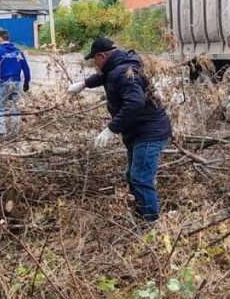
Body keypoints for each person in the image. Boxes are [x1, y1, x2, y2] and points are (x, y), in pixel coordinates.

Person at [66, 37, 171, 223]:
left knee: (140, 178)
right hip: (138, 132)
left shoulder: (122, 72)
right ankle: (142, 212)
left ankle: (151, 223)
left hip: (149, 132)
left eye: (94, 60)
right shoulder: (119, 65)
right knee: (132, 175)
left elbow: (135, 103)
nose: (94, 64)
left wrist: (110, 129)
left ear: (102, 55)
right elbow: (104, 76)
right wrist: (84, 85)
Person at [0, 28, 31, 140]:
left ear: (1, 38)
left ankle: (2, 134)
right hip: (16, 83)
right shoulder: (18, 51)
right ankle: (15, 133)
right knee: (16, 108)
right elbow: (26, 68)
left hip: (2, 83)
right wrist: (26, 83)